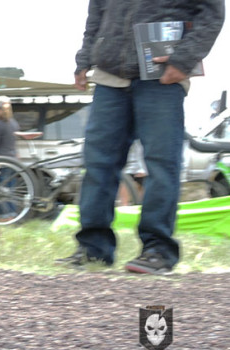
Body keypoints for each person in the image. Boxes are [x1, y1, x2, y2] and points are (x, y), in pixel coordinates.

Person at [58, 0, 224, 275]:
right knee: (97, 164)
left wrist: (183, 59)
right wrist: (84, 59)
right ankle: (93, 249)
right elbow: (97, 13)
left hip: (162, 77)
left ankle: (158, 250)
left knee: (161, 164)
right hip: (110, 78)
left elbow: (212, 12)